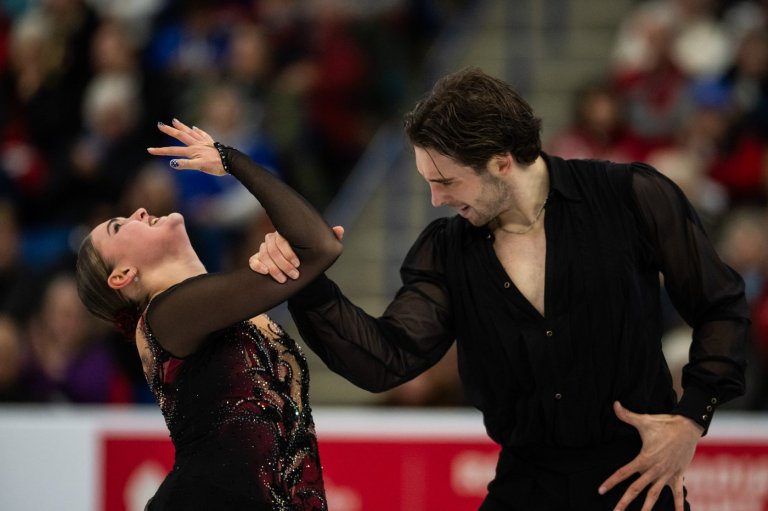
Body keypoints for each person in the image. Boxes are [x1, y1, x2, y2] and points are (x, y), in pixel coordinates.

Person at [250, 67, 749, 510]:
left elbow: (721, 305)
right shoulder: (447, 250)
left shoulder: (631, 196)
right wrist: (307, 281)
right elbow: (386, 359)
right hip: (525, 486)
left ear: (502, 162)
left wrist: (690, 420)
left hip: (638, 485)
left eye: (447, 181)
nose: (435, 199)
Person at [75, 119, 341, 510]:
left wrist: (301, 263)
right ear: (122, 275)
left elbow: (317, 248)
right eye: (120, 226)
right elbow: (320, 247)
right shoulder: (165, 316)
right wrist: (230, 161)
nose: (139, 212)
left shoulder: (222, 312)